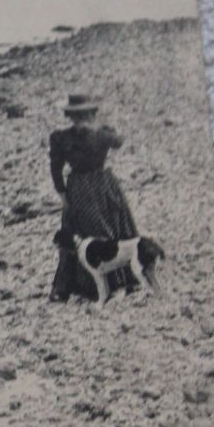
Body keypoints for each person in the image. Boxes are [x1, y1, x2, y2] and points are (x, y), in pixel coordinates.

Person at [49, 94, 140, 302]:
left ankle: (112, 283)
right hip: (91, 186)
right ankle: (101, 284)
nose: (80, 119)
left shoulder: (91, 133)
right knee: (98, 231)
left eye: (82, 115)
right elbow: (55, 168)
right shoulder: (69, 137)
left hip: (92, 186)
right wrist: (63, 195)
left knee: (102, 230)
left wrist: (63, 194)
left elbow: (118, 142)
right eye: (78, 115)